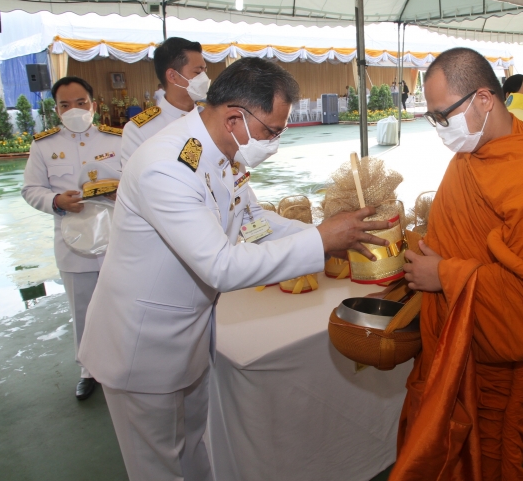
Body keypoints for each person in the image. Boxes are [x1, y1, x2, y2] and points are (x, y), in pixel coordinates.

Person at [78, 58, 391, 481]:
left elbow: (253, 221)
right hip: (142, 345)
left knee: (192, 448)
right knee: (157, 467)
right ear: (233, 118)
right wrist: (319, 241)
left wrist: (318, 232)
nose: (275, 142)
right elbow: (220, 267)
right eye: (272, 131)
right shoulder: (167, 166)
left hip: (188, 333)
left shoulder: (224, 154)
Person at [391, 47, 523, 480]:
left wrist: (443, 274)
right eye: (433, 117)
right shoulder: (466, 157)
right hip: (447, 345)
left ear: (484, 99)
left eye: (444, 115)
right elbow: (453, 236)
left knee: (487, 461)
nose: (440, 128)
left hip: (497, 360)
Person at [21, 76, 122, 400]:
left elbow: (136, 177)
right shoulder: (44, 146)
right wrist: (55, 201)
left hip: (117, 239)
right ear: (56, 109)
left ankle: (120, 363)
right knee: (82, 309)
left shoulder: (116, 140)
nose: (74, 109)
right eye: (66, 105)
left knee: (121, 305)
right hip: (73, 241)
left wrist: (120, 191)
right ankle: (88, 370)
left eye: (81, 103)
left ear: (93, 104)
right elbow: (30, 189)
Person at [121, 37, 208, 166]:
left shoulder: (211, 115)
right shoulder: (139, 131)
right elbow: (136, 181)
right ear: (172, 76)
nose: (204, 77)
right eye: (198, 72)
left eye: (205, 70)